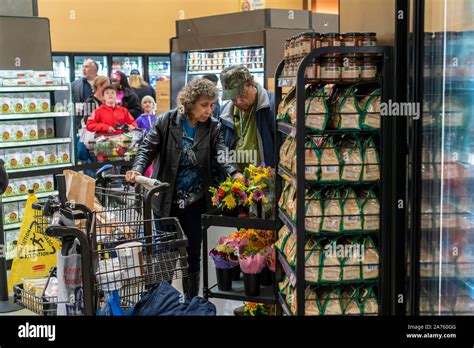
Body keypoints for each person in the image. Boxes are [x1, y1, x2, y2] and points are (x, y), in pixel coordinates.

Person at [125, 78, 240, 298]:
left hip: (195, 203)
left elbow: (222, 154)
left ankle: (190, 302)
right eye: (204, 105)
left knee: (192, 254)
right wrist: (137, 169)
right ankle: (162, 302)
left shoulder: (213, 127)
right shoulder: (166, 121)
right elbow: (146, 149)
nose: (209, 110)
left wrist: (234, 172)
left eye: (212, 105)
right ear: (191, 103)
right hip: (165, 200)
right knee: (165, 255)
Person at [218, 65, 276, 170]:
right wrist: (233, 172)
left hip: (264, 180)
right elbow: (221, 150)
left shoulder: (272, 106)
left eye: (242, 95)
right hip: (235, 180)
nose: (238, 102)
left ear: (252, 83)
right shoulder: (224, 113)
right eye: (233, 98)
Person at [77, 76, 110, 166]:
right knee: (94, 173)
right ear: (99, 86)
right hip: (93, 144)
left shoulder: (107, 102)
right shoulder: (90, 102)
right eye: (107, 86)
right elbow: (88, 122)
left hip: (105, 142)